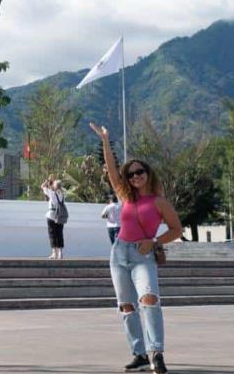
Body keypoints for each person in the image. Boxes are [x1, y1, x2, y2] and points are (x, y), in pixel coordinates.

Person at [90, 123, 183, 374]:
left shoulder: (160, 201)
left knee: (149, 299)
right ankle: (139, 353)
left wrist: (154, 242)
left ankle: (156, 352)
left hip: (143, 256)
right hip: (119, 253)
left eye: (139, 172)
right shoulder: (125, 196)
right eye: (130, 174)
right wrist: (106, 141)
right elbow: (110, 170)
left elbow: (177, 230)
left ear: (147, 173)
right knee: (127, 305)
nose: (135, 177)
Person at [41, 175, 68, 260]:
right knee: (59, 233)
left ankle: (54, 253)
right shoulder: (62, 195)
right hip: (60, 216)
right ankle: (60, 253)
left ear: (54, 186)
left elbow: (42, 186)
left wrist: (47, 180)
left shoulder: (52, 194)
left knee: (52, 234)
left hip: (52, 215)